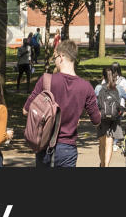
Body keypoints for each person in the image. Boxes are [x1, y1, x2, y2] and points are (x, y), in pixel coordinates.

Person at [24, 37, 100, 169]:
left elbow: (26, 110)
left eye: (55, 58)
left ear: (61, 56)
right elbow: (96, 120)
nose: (55, 61)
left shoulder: (46, 80)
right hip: (68, 149)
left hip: (44, 145)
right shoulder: (86, 87)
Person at [94, 64, 126, 166]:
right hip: (114, 119)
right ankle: (106, 165)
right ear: (114, 76)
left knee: (102, 144)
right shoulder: (119, 88)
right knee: (109, 143)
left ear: (103, 77)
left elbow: (94, 103)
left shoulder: (98, 88)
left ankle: (102, 164)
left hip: (101, 118)